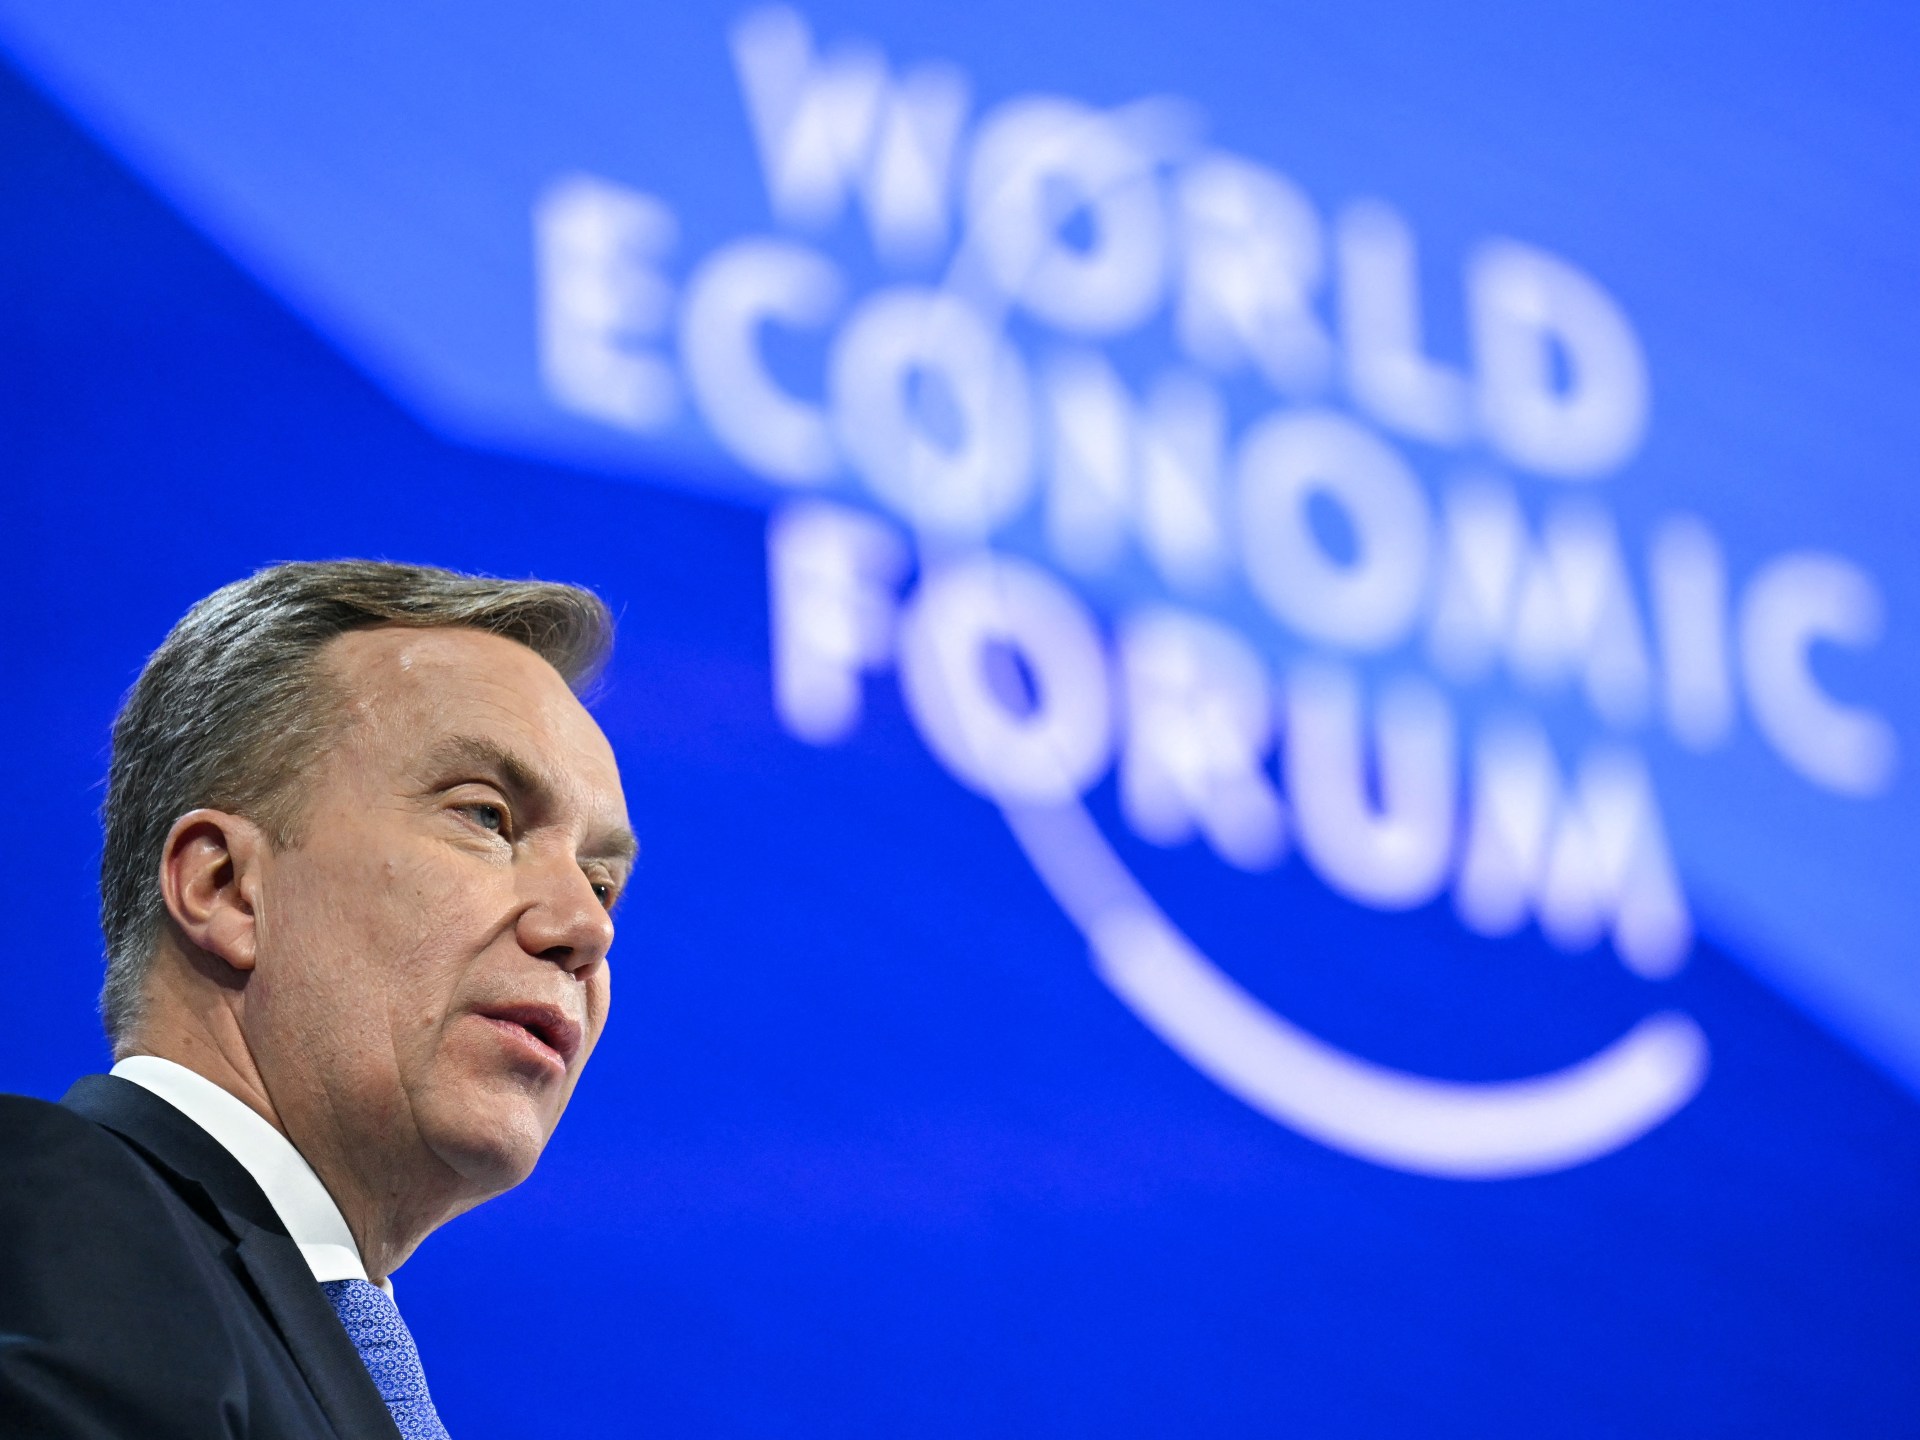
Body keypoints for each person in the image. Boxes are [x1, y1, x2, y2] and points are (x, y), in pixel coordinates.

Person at [0, 561, 637, 1439]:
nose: (586, 928)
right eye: (487, 818)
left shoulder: (292, 1333)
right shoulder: (48, 1222)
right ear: (227, 888)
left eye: (601, 883)